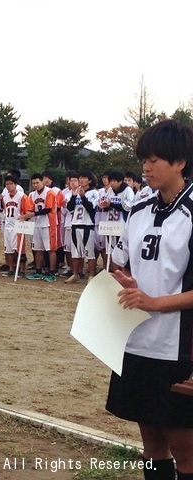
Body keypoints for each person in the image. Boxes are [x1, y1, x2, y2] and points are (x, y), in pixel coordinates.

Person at [109, 119, 193, 480]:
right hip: (139, 341)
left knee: (185, 449)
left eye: (155, 159)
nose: (146, 167)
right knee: (152, 442)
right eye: (144, 159)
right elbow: (119, 265)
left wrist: (155, 302)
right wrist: (121, 279)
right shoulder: (138, 211)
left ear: (180, 163)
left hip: (180, 346)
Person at [21, 173, 59, 282]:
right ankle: (38, 271)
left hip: (48, 224)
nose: (35, 185)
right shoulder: (32, 195)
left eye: (37, 182)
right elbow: (31, 209)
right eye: (33, 183)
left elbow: (48, 209)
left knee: (50, 249)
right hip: (37, 224)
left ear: (42, 181)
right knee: (37, 249)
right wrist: (25, 216)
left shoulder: (49, 192)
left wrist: (32, 214)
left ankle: (52, 272)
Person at [65, 171, 99, 284]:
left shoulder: (94, 192)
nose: (81, 180)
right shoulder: (75, 192)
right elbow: (70, 208)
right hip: (75, 223)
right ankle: (75, 274)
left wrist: (83, 196)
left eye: (84, 178)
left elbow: (91, 208)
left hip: (87, 225)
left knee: (89, 253)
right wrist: (74, 195)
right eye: (80, 178)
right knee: (75, 252)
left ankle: (91, 275)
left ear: (89, 180)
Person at [1, 174, 31, 276]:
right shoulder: (5, 198)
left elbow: (27, 211)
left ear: (15, 184)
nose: (9, 186)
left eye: (11, 184)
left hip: (18, 225)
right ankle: (11, 268)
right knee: (8, 249)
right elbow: (5, 211)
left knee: (20, 249)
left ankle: (22, 270)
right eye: (7, 184)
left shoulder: (22, 196)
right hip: (8, 225)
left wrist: (24, 219)